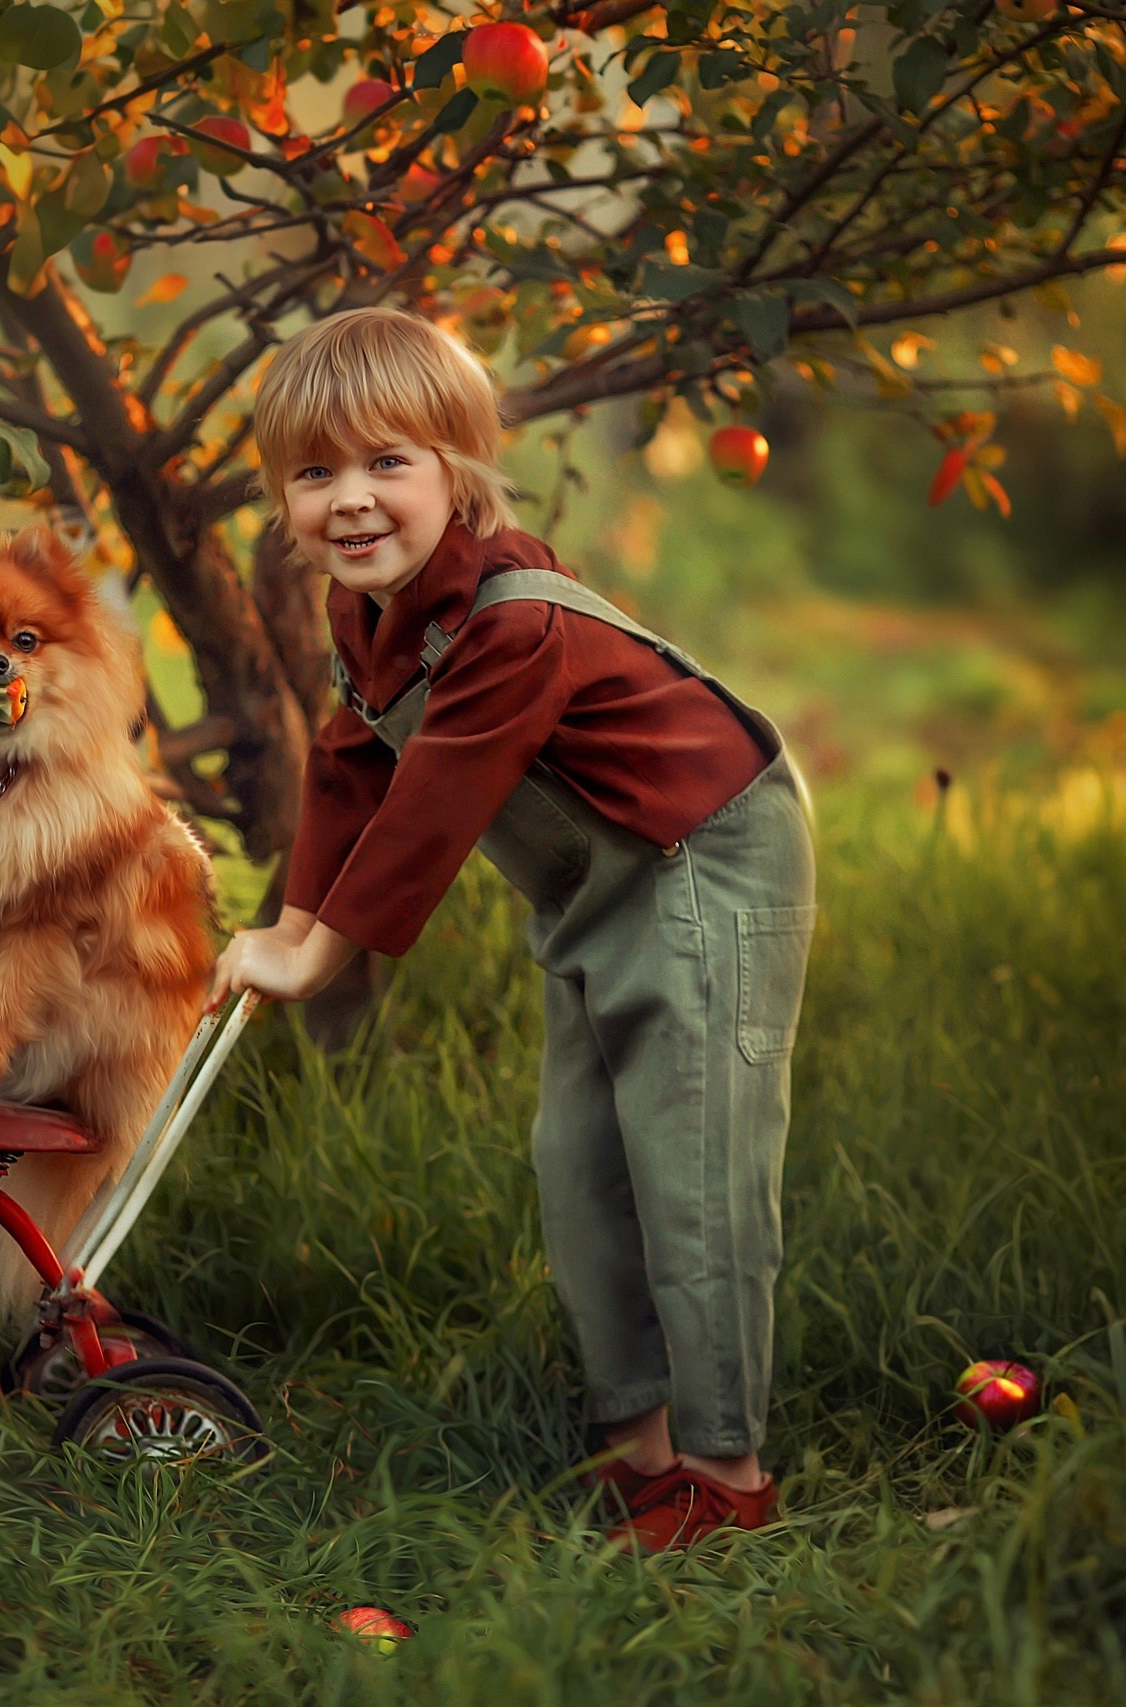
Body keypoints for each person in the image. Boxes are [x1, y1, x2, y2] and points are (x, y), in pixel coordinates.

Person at [206, 306, 818, 1553]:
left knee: (689, 1164)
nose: (353, 502)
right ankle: (640, 1446)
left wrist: (319, 954)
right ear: (282, 499)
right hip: (596, 879)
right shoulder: (363, 618)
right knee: (578, 1160)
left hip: (703, 853)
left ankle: (725, 1470)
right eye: (315, 473)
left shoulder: (510, 621)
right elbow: (348, 769)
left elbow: (434, 803)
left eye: (390, 463)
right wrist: (289, 918)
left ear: (458, 474)